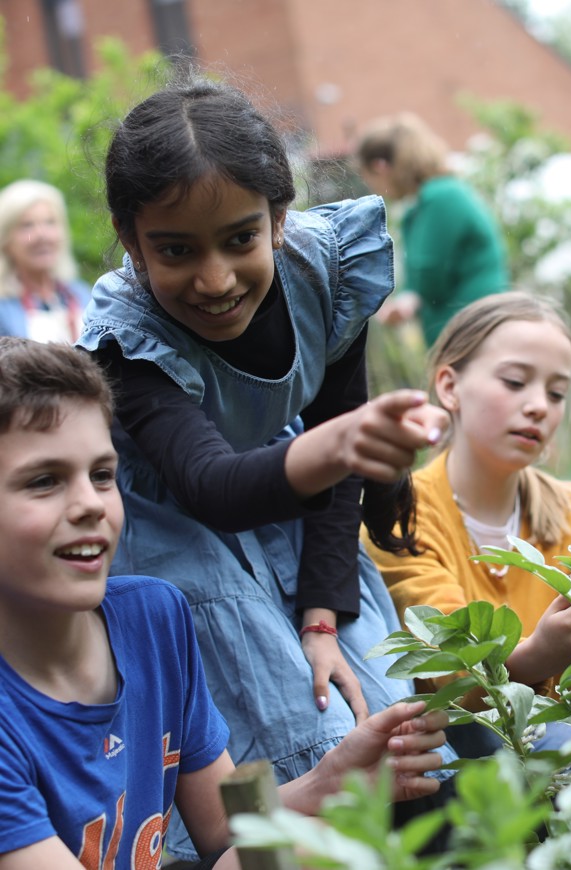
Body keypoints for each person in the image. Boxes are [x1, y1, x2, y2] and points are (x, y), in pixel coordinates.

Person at [75, 73, 457, 860]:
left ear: (280, 220)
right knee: (291, 735)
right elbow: (212, 488)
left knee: (381, 718)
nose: (213, 280)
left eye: (239, 239)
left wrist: (322, 615)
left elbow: (332, 446)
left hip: (297, 507)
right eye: (175, 251)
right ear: (129, 235)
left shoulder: (330, 270)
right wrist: (336, 446)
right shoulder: (128, 340)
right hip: (184, 541)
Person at [0, 336, 451, 870]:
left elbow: (220, 822)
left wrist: (331, 782)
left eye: (102, 475)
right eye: (44, 481)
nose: (89, 506)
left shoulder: (153, 618)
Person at [362, 290, 571, 756]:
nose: (539, 405)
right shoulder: (401, 516)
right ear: (450, 387)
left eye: (556, 393)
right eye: (516, 382)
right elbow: (453, 681)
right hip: (462, 750)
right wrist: (539, 655)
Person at [355, 112, 509, 347]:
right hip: (462, 332)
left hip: (477, 331)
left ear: (380, 168)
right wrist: (407, 297)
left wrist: (408, 299)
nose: (372, 186)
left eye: (368, 177)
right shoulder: (424, 203)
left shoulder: (442, 196)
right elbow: (421, 278)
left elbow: (429, 270)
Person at [0, 179, 91, 341]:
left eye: (50, 222)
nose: (42, 236)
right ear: (6, 240)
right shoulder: (3, 308)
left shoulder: (84, 295)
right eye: (27, 225)